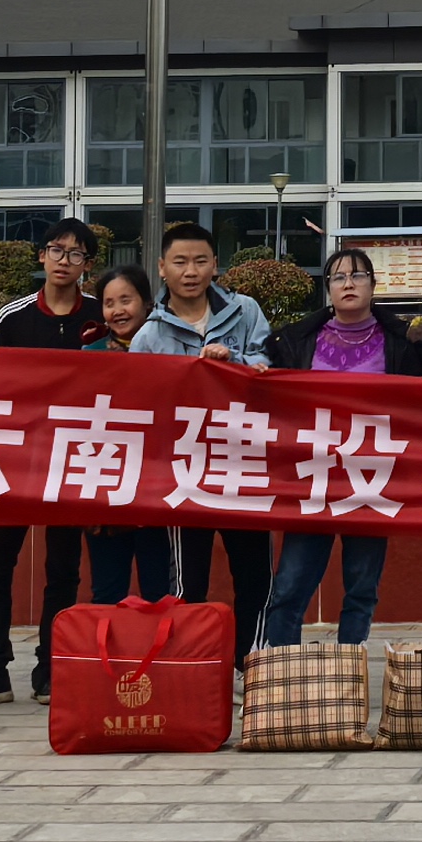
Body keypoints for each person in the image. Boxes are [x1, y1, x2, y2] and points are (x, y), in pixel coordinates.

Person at [0, 218, 105, 704]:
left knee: (63, 568)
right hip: (13, 462)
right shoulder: (13, 317)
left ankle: (51, 668)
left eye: (77, 254)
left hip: (73, 460)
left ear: (89, 265)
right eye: (57, 251)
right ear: (41, 257)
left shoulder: (100, 315)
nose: (65, 261)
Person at [261, 245, 422, 647]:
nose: (349, 283)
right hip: (311, 480)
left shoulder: (403, 343)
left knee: (361, 589)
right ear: (328, 289)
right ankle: (280, 675)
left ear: (374, 286)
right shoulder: (295, 341)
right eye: (339, 277)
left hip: (369, 480)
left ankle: (349, 674)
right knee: (289, 588)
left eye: (358, 276)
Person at [148, 225, 275, 642]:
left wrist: (233, 360)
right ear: (162, 268)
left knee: (255, 574)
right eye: (180, 262)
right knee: (187, 582)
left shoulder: (246, 311)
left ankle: (250, 663)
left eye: (201, 261)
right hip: (185, 473)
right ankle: (193, 664)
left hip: (244, 464)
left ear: (215, 266)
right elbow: (140, 403)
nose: (191, 271)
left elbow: (269, 368)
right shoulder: (150, 334)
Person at [82, 260, 183, 603]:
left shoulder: (170, 350)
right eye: (108, 304)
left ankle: (157, 656)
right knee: (106, 592)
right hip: (106, 489)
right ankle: (111, 658)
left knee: (160, 591)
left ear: (146, 302)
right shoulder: (88, 356)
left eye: (126, 300)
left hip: (158, 486)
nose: (117, 311)